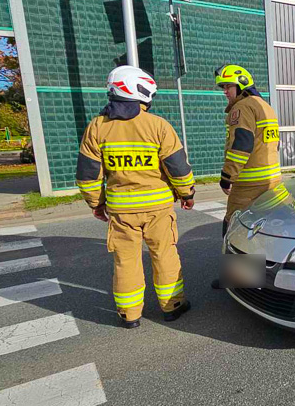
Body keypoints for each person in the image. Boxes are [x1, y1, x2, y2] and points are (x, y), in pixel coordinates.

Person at [75, 65, 195, 328]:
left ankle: (129, 315)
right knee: (164, 255)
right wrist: (187, 194)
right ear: (140, 92)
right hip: (158, 209)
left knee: (125, 260)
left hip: (121, 212)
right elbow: (178, 167)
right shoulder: (158, 126)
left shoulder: (97, 127)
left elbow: (88, 175)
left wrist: (96, 203)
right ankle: (172, 306)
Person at [213, 64, 280, 235]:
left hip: (248, 184)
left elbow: (241, 146)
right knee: (262, 228)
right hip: (271, 180)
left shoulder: (241, 108)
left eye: (228, 86)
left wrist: (227, 177)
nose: (225, 91)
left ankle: (241, 263)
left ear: (242, 84)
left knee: (234, 227)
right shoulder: (265, 106)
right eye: (223, 87)